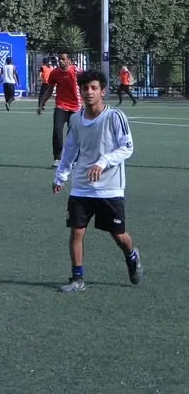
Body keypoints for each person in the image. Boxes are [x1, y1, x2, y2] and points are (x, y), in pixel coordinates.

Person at [53, 69, 143, 293]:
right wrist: (61, 176)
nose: (89, 92)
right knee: (77, 231)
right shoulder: (76, 119)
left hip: (109, 188)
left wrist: (103, 162)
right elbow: (70, 150)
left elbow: (127, 148)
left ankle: (132, 256)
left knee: (119, 235)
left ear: (103, 91)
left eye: (94, 88)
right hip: (81, 187)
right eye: (85, 88)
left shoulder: (115, 117)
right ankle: (77, 278)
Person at [38, 52, 82, 168]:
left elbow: (86, 86)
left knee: (74, 134)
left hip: (76, 107)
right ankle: (57, 158)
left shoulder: (76, 72)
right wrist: (42, 104)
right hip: (61, 106)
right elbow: (49, 90)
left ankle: (75, 159)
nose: (60, 61)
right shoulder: (55, 73)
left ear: (69, 60)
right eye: (59, 59)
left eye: (63, 59)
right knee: (57, 131)